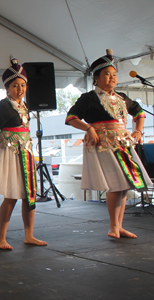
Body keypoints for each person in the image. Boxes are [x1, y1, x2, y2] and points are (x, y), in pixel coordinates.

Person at [65, 49, 151, 239]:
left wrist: (137, 131)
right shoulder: (89, 98)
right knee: (116, 184)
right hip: (103, 144)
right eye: (107, 74)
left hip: (122, 144)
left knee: (124, 185)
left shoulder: (120, 97)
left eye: (114, 75)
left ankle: (119, 226)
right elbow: (71, 117)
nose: (112, 78)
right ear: (96, 77)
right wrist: (88, 128)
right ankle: (113, 226)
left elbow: (139, 113)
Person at [0, 58, 47, 250]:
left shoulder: (25, 106)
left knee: (30, 195)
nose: (20, 89)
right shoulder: (2, 106)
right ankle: (0, 238)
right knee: (11, 196)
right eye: (15, 85)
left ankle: (29, 235)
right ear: (7, 88)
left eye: (22, 85)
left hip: (25, 153)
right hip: (10, 153)